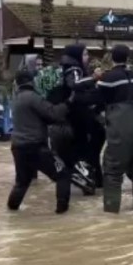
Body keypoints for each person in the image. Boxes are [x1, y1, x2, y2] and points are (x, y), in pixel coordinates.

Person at [8, 69, 74, 214]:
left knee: (22, 182)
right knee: (63, 175)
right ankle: (62, 212)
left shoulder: (16, 98)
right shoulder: (33, 97)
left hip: (18, 147)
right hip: (35, 147)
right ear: (32, 81)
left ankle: (11, 211)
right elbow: (53, 114)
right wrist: (68, 102)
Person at [96, 45, 133, 214]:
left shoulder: (108, 77)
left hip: (122, 124)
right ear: (127, 58)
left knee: (113, 171)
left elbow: (97, 98)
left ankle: (112, 214)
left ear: (112, 58)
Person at [56, 44, 103, 191]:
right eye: (85, 54)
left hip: (69, 118)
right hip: (78, 118)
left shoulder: (66, 68)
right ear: (77, 55)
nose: (87, 57)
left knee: (82, 152)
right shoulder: (74, 69)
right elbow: (75, 85)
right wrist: (93, 78)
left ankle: (90, 181)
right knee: (87, 151)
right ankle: (91, 181)